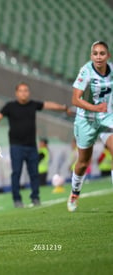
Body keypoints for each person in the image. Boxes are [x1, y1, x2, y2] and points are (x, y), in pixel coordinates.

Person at [0, 82, 71, 208]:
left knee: (34, 173)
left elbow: (48, 105)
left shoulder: (33, 105)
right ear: (16, 93)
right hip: (16, 146)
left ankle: (35, 197)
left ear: (29, 92)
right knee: (16, 173)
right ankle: (17, 199)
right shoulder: (10, 106)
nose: (24, 93)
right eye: (21, 90)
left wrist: (63, 108)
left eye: (26, 90)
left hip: (31, 146)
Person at [67, 41, 113, 212]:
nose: (98, 57)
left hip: (107, 119)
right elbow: (75, 99)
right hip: (86, 120)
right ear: (91, 56)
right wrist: (95, 108)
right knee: (83, 162)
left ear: (108, 56)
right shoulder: (86, 72)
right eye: (95, 53)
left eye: (102, 53)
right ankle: (74, 193)